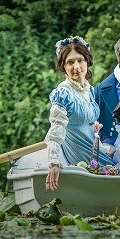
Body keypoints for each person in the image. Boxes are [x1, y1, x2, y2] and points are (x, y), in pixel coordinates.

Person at [45, 36, 114, 191]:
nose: (76, 67)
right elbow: (56, 130)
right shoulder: (63, 93)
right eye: (70, 62)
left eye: (80, 60)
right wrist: (54, 163)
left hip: (95, 153)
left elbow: (87, 121)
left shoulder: (89, 90)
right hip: (80, 159)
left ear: (87, 61)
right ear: (63, 66)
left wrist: (94, 126)